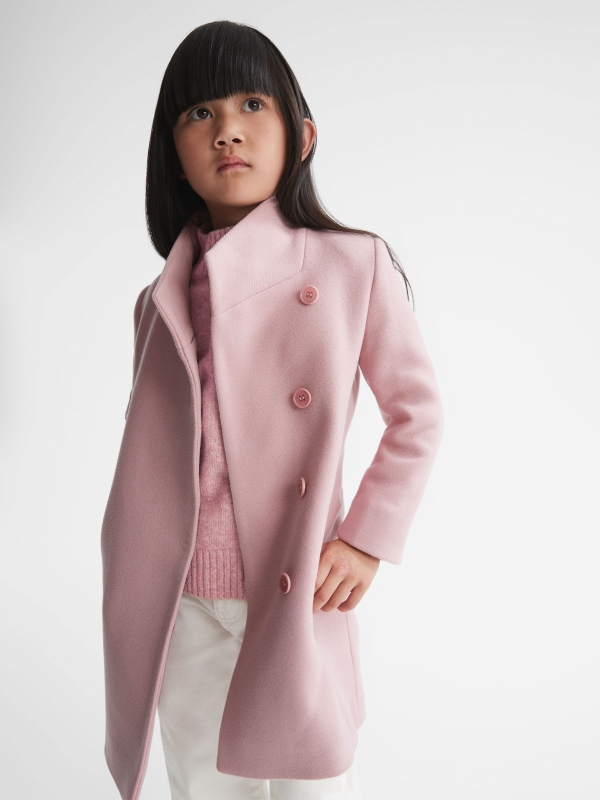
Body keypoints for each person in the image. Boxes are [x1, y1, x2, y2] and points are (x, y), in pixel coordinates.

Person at [100, 19, 444, 800]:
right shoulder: (155, 300)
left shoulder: (352, 263)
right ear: (174, 154)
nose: (227, 129)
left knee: (310, 780)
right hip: (180, 591)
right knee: (201, 782)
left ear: (302, 135)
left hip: (295, 580)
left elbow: (418, 412)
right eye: (200, 113)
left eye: (252, 104)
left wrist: (366, 539)